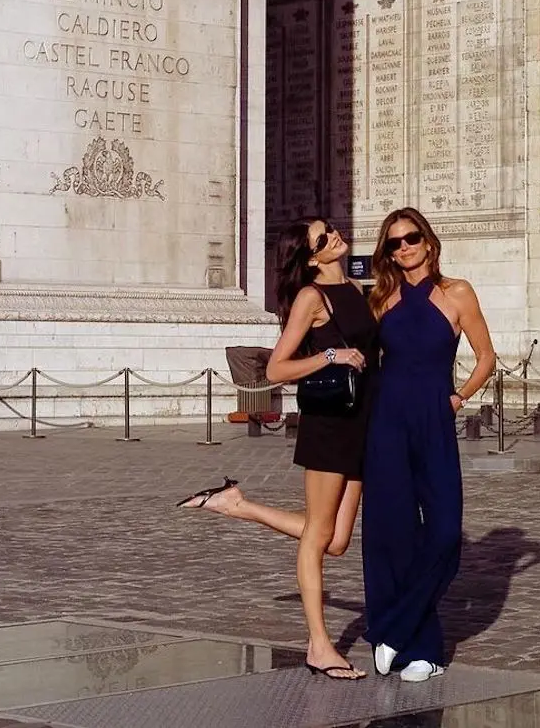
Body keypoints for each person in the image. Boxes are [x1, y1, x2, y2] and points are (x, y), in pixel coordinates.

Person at [176, 217, 376, 680]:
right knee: (317, 535)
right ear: (310, 257)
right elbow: (279, 369)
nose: (335, 237)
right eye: (323, 238)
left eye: (331, 230)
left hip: (361, 424)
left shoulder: (356, 288)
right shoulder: (312, 297)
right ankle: (319, 645)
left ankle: (236, 504)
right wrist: (331, 355)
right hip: (329, 426)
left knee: (338, 541)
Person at [361, 208, 496, 682]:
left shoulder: (457, 293)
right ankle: (426, 651)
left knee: (443, 533)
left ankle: (392, 630)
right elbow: (366, 362)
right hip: (387, 424)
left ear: (429, 241)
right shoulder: (380, 298)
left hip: (435, 421)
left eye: (411, 238)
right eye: (394, 244)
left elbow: (486, 357)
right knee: (391, 533)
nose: (404, 249)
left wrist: (458, 399)